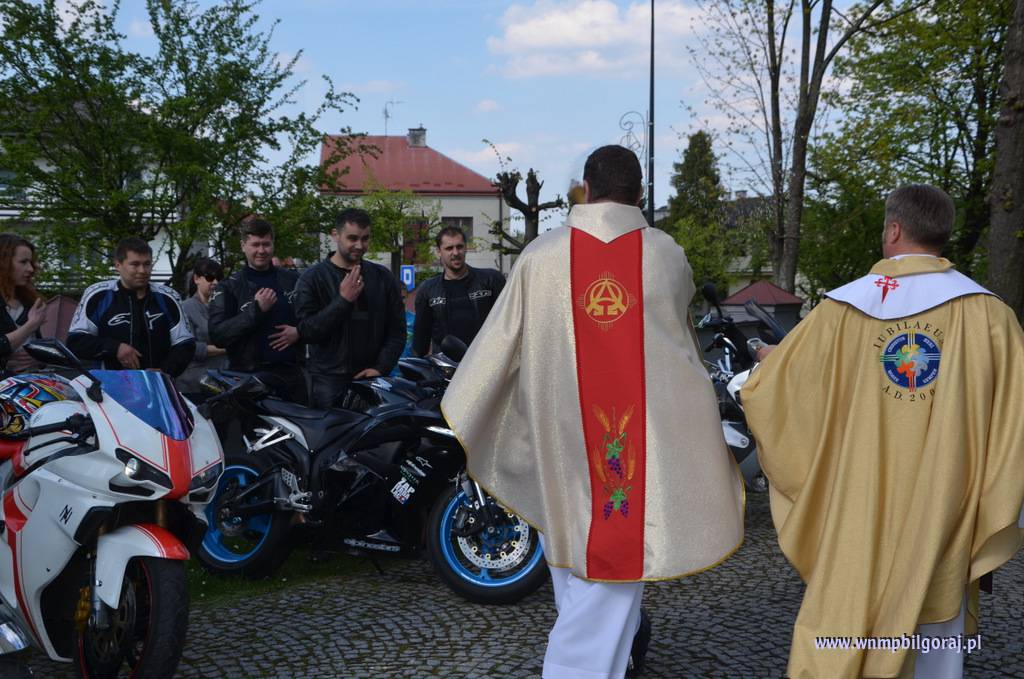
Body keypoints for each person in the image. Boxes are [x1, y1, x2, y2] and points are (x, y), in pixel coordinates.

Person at [441, 145, 745, 678]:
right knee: (609, 569)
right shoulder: (666, 255)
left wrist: (478, 408)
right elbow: (680, 347)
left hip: (560, 440)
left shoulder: (539, 256)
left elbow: (500, 347)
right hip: (635, 445)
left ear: (585, 187)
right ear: (640, 193)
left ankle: (610, 662)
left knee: (575, 562)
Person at [742, 184, 1024, 679]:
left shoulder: (842, 310)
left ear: (894, 229)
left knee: (850, 600)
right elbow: (1012, 424)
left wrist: (767, 363)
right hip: (947, 508)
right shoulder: (990, 316)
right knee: (937, 640)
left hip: (860, 507)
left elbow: (787, 386)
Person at [294, 208, 405, 409]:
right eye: (352, 238)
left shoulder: (383, 277)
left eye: (365, 238)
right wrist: (343, 301)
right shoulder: (311, 278)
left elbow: (397, 331)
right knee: (332, 431)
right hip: (327, 382)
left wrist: (381, 367)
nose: (360, 245)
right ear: (335, 235)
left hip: (372, 379)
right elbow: (307, 331)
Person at [208, 219, 306, 404]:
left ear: (273, 245)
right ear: (243, 246)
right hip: (247, 378)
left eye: (266, 244)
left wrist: (299, 332)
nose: (261, 250)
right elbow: (218, 335)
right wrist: (256, 310)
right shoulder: (228, 287)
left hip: (291, 377)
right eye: (255, 244)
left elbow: (313, 320)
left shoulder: (294, 280)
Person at [68, 237, 194, 376]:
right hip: (109, 384)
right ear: (118, 265)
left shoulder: (168, 297)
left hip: (156, 383)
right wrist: (115, 348)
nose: (142, 270)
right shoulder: (97, 295)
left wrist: (165, 371)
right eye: (135, 264)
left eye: (147, 264)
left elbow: (185, 344)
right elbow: (76, 341)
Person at [411, 226, 505, 355]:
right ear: (439, 252)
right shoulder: (427, 290)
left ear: (465, 248)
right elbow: (420, 341)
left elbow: (508, 325)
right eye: (449, 248)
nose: (455, 253)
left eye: (459, 247)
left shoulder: (491, 280)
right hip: (445, 364)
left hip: (485, 361)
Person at [176, 257, 228, 395]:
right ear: (196, 279)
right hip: (194, 385)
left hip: (222, 381)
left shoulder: (225, 308)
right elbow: (189, 348)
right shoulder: (185, 308)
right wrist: (226, 349)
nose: (215, 282)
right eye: (210, 277)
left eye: (219, 278)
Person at [0, 234, 47, 374]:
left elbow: (36, 346)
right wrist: (31, 325)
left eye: (31, 262)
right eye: (23, 262)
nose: (30, 269)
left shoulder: (28, 301)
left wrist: (38, 358)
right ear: (3, 263)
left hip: (29, 382)